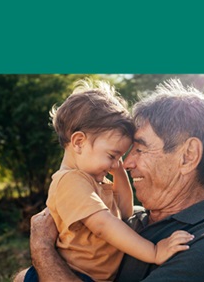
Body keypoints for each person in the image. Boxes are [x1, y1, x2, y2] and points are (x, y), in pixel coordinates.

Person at [28, 80, 204, 282]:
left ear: (188, 156)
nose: (125, 163)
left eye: (140, 149)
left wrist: (41, 249)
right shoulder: (133, 218)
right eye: (118, 154)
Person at [15, 82, 193, 282]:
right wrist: (153, 252)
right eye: (112, 155)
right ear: (79, 142)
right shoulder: (70, 182)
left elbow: (124, 212)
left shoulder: (96, 183)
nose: (118, 163)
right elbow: (102, 225)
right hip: (70, 273)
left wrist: (118, 174)